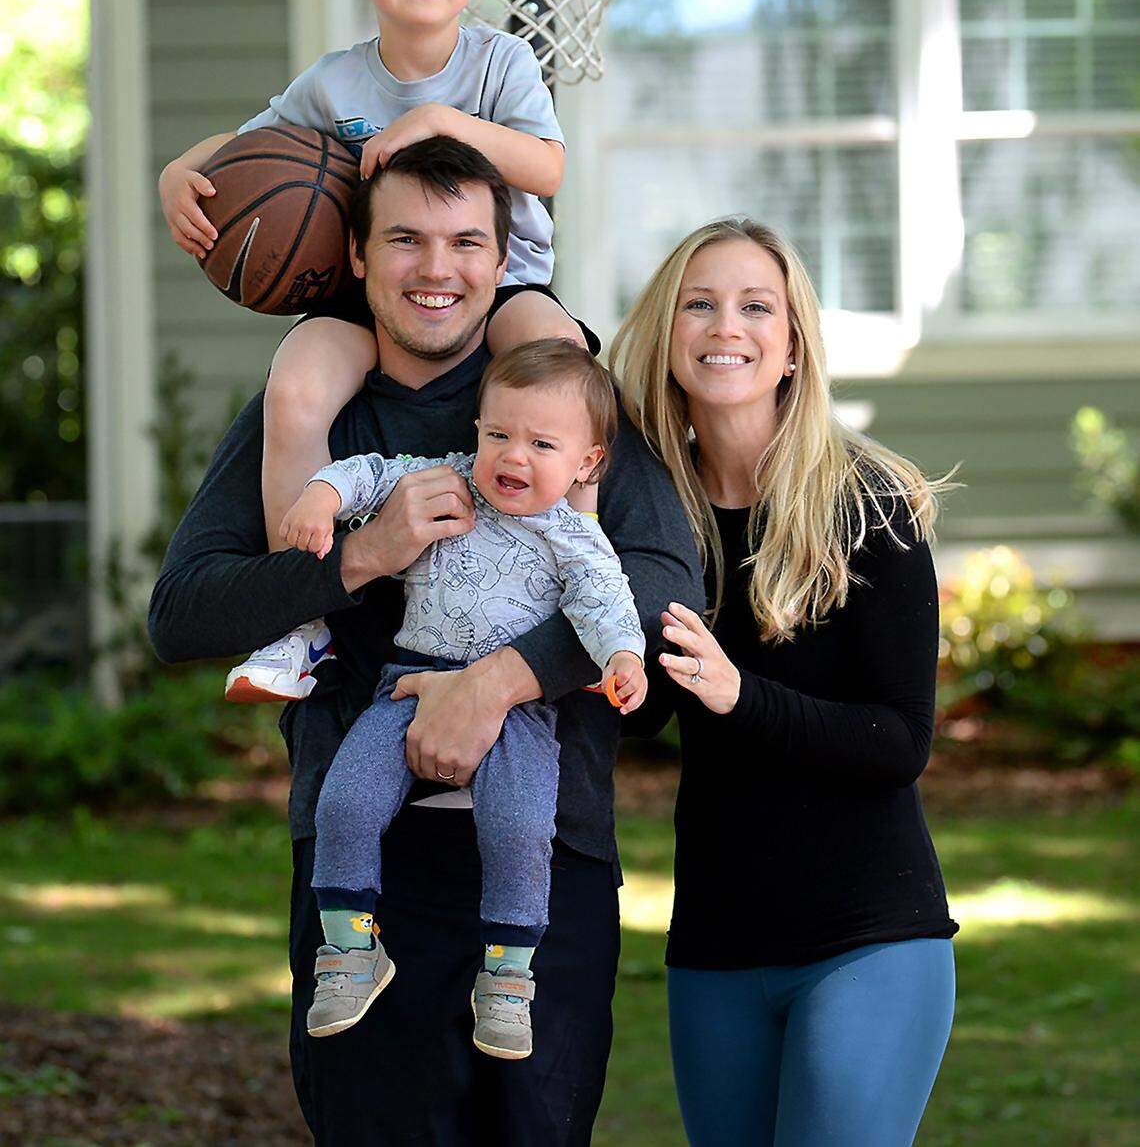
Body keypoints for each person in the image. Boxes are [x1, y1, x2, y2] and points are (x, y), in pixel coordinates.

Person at [147, 136, 704, 1146]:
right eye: (404, 239)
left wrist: (496, 682)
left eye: (464, 242)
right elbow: (181, 611)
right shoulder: (315, 417)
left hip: (545, 857)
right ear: (357, 257)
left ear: (502, 261)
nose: (436, 269)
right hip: (363, 864)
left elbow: (662, 591)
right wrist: (361, 555)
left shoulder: (558, 405)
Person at [157, 0, 587, 704]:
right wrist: (179, 169)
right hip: (367, 294)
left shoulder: (501, 64)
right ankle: (296, 616)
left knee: (559, 353)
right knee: (296, 381)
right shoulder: (335, 81)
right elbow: (249, 153)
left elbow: (548, 167)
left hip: (498, 287)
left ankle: (582, 555)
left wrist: (438, 121)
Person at [610, 216, 958, 1147]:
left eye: (756, 306)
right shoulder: (644, 511)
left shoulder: (867, 504)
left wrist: (740, 694)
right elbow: (637, 719)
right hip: (715, 947)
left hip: (869, 940)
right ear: (667, 333)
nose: (728, 326)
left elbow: (899, 741)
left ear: (793, 345)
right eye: (701, 304)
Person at [283, 340, 647, 1058]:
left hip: (518, 713)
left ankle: (508, 977)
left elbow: (607, 603)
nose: (514, 455)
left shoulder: (575, 538)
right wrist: (323, 496)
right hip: (408, 681)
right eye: (499, 434)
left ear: (587, 463)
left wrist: (623, 656)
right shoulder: (447, 482)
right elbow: (371, 475)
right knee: (345, 802)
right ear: (475, 432)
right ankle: (352, 949)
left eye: (543, 443)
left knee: (517, 829)